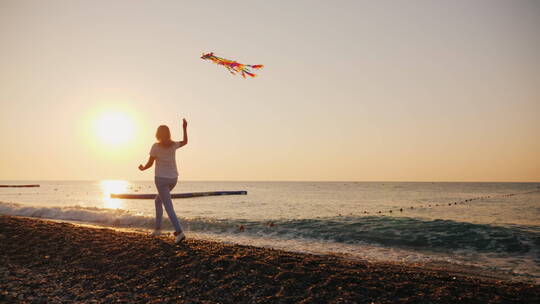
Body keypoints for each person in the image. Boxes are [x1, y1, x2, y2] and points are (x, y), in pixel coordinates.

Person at [138, 118, 188, 244]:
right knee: (158, 200)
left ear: (158, 134)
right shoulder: (173, 145)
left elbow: (149, 164)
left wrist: (142, 168)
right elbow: (186, 141)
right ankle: (158, 229)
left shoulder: (155, 146)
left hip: (161, 180)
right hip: (173, 179)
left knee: (168, 206)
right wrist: (184, 127)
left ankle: (179, 232)